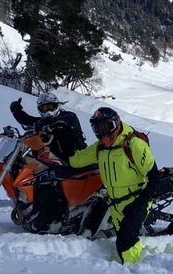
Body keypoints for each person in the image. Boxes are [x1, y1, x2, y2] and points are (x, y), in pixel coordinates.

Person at [69, 107, 160, 264]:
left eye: (107, 127)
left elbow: (154, 177)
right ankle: (129, 268)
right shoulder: (100, 148)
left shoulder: (133, 144)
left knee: (126, 241)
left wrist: (140, 204)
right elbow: (76, 161)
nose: (103, 133)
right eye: (97, 129)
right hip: (115, 204)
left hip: (136, 201)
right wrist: (64, 141)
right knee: (123, 241)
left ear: (116, 124)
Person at [9, 92, 87, 231]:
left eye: (51, 106)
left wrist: (57, 128)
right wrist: (16, 110)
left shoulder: (68, 117)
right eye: (45, 108)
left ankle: (52, 215)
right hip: (52, 158)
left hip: (74, 157)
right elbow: (29, 120)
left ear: (57, 105)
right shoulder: (42, 122)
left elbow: (67, 125)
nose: (49, 110)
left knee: (48, 181)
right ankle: (29, 204)